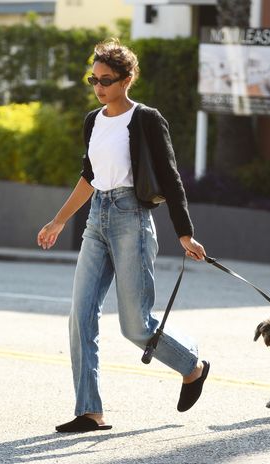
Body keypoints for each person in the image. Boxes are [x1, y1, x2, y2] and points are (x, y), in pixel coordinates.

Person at [37, 39, 210, 433]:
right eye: (93, 79)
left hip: (132, 218)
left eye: (106, 80)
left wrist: (185, 233)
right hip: (96, 218)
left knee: (135, 326)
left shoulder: (146, 119)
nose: (98, 86)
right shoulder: (92, 121)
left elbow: (170, 176)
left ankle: (192, 366)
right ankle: (90, 411)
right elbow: (89, 176)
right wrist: (59, 220)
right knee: (80, 316)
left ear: (127, 80)